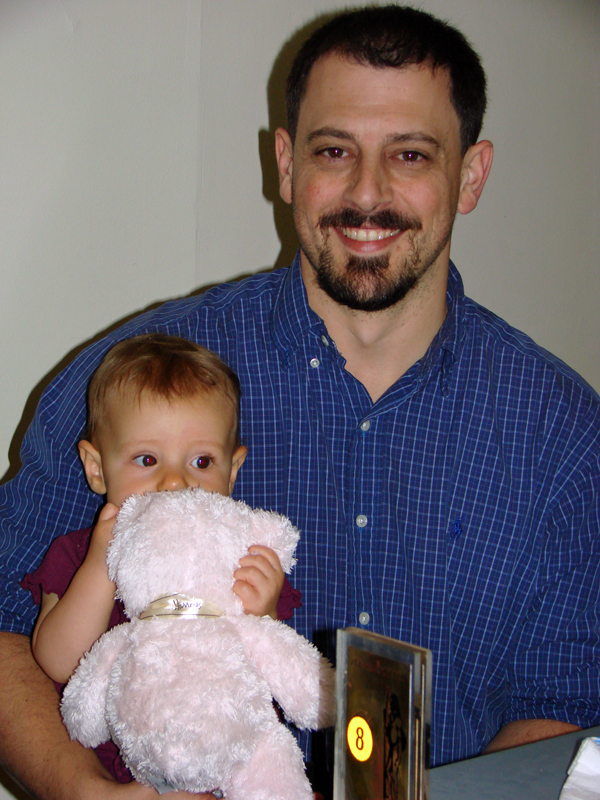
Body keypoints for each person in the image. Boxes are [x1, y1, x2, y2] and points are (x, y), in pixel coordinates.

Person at [1, 5, 599, 799]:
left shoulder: (564, 435)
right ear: (285, 164)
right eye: (334, 151)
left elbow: (562, 703)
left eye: (410, 154)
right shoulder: (128, 385)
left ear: (471, 175)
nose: (367, 193)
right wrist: (80, 788)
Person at [20, 333, 299, 784]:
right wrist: (100, 567)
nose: (174, 482)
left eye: (202, 462)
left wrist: (263, 612)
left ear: (232, 470)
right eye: (147, 459)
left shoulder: (242, 556)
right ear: (96, 468)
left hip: (226, 772)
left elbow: (271, 675)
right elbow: (58, 661)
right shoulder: (77, 554)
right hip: (124, 781)